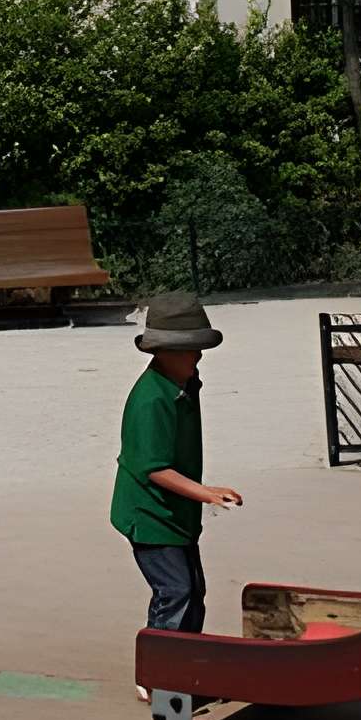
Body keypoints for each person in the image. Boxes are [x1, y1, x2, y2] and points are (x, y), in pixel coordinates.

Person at [110, 291, 243, 679]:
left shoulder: (186, 382)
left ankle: (183, 665)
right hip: (149, 514)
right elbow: (154, 468)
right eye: (189, 350)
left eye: (198, 349)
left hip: (176, 514)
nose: (197, 357)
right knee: (175, 592)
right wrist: (207, 493)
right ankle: (158, 676)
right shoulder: (151, 399)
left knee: (193, 593)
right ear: (162, 351)